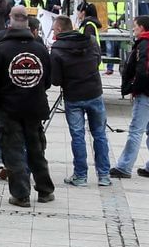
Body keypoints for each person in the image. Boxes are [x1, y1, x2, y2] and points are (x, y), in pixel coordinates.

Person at [0, 6, 54, 208]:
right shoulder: (40, 49)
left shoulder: (1, 48)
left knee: (13, 151)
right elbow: (47, 80)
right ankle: (45, 190)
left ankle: (21, 194)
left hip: (9, 108)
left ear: (10, 19)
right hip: (34, 107)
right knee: (36, 149)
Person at [47, 14, 111, 187]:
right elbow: (98, 60)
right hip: (94, 92)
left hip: (73, 96)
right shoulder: (90, 40)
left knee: (78, 136)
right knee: (99, 135)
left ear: (59, 29)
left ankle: (80, 176)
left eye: (53, 29)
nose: (52, 32)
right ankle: (104, 175)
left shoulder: (58, 48)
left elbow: (56, 80)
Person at [111, 15, 149, 180]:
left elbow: (143, 71)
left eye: (135, 26)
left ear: (142, 28)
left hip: (148, 93)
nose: (133, 28)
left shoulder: (147, 44)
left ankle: (124, 166)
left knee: (136, 130)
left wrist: (133, 88)